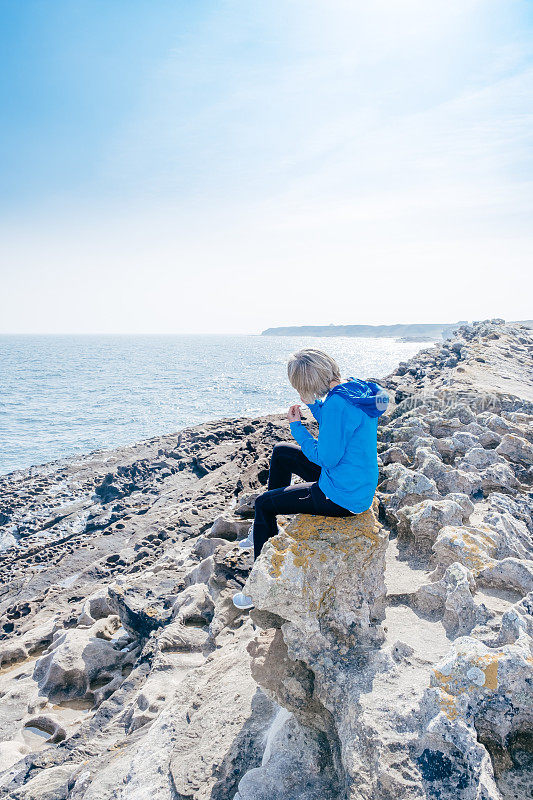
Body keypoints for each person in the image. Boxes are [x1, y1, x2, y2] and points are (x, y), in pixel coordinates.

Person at [232, 348, 389, 610]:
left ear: (307, 384)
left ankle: (258, 589)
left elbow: (326, 457)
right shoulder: (356, 389)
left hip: (340, 496)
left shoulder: (337, 404)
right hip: (356, 481)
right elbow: (339, 423)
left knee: (263, 503)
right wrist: (315, 406)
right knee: (282, 453)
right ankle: (265, 529)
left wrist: (297, 428)